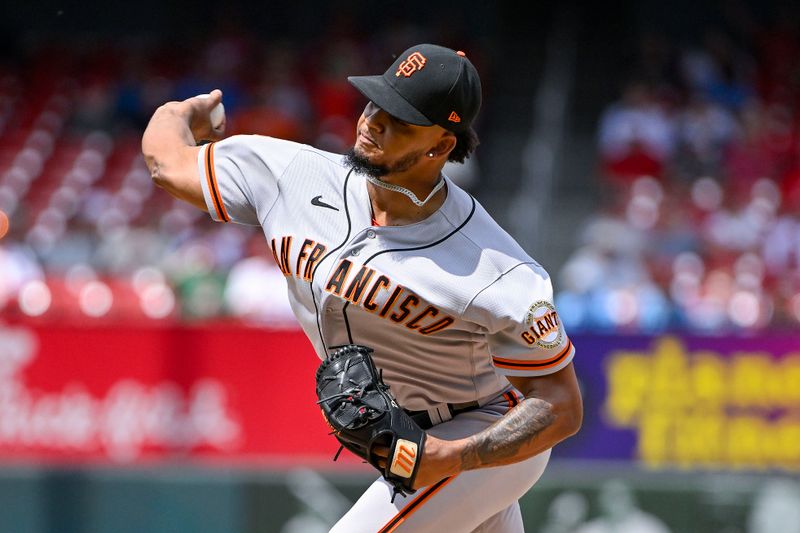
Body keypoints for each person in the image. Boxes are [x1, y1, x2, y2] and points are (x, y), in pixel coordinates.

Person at [142, 43, 582, 532]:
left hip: (485, 433)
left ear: (439, 146)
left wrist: (456, 456)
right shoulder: (291, 174)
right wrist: (178, 111)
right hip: (411, 443)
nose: (374, 121)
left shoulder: (495, 267)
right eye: (377, 102)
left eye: (401, 119)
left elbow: (561, 404)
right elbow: (168, 163)